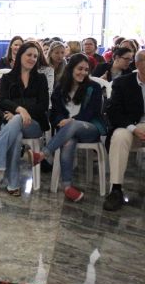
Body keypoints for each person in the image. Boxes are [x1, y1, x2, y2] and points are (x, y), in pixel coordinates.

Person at [0, 42, 49, 196]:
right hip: (11, 122)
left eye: (35, 56)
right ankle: (13, 184)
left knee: (16, 120)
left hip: (34, 124)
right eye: (29, 55)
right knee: (16, 134)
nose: (32, 58)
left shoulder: (41, 78)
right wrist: (20, 110)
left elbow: (43, 106)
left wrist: (19, 113)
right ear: (20, 56)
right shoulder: (8, 78)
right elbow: (2, 102)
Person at [26, 54, 105, 202]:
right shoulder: (60, 88)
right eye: (80, 69)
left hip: (89, 128)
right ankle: (68, 187)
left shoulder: (93, 87)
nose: (83, 72)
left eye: (86, 70)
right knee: (68, 141)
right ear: (71, 68)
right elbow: (54, 113)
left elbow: (92, 112)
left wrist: (71, 120)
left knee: (72, 124)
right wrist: (60, 120)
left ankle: (43, 154)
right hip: (68, 132)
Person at [103, 50, 145, 211]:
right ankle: (116, 189)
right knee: (119, 136)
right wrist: (133, 129)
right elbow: (114, 111)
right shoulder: (123, 83)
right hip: (131, 127)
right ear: (138, 64)